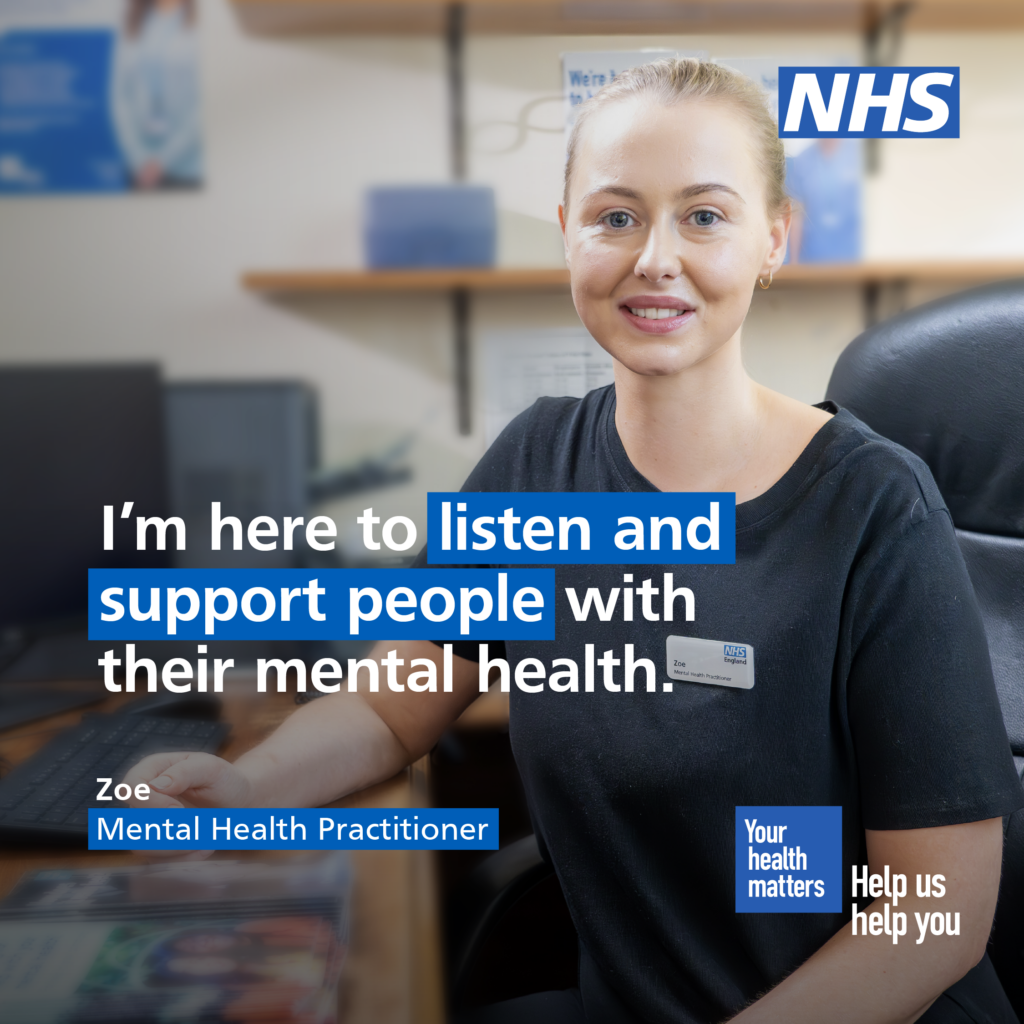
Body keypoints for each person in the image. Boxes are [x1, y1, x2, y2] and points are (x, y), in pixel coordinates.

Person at [125, 60, 1023, 1024]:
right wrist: (244, 785)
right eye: (617, 215)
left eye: (706, 216)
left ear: (774, 239)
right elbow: (391, 710)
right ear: (568, 236)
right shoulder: (533, 464)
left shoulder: (875, 508)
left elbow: (936, 917)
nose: (655, 258)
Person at [113, 0, 203, 190]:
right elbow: (120, 96)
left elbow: (206, 103)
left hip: (187, 166)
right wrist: (138, 157)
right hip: (138, 167)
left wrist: (163, 160)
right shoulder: (131, 21)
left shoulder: (200, 20)